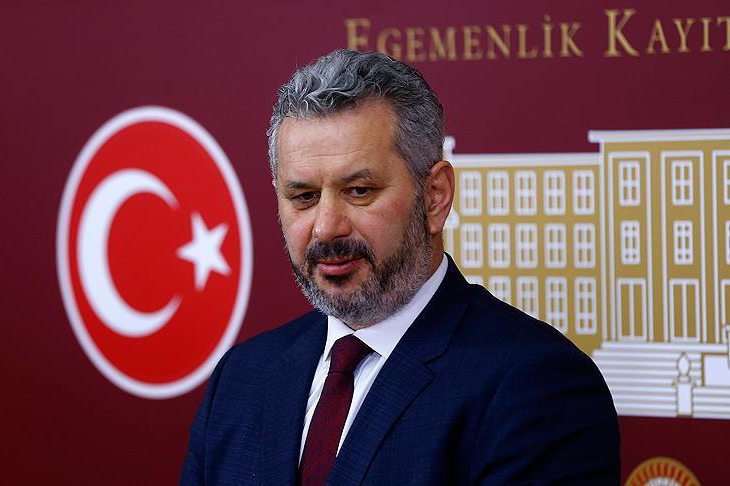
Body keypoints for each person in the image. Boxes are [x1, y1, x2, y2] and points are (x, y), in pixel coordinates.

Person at [180, 49, 620, 485]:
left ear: (435, 197)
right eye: (304, 197)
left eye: (359, 190)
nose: (326, 227)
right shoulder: (242, 377)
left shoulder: (537, 388)